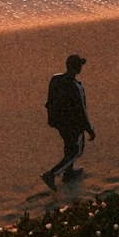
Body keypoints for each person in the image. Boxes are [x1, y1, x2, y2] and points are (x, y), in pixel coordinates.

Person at [42, 54, 95, 189]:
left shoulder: (55, 78)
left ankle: (69, 173)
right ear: (77, 69)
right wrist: (90, 129)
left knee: (68, 145)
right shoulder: (77, 87)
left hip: (57, 121)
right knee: (76, 151)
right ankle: (52, 174)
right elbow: (82, 111)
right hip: (73, 124)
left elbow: (50, 99)